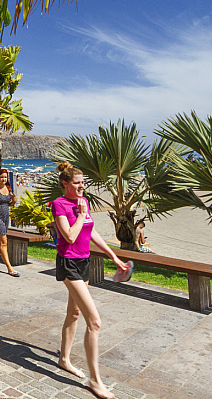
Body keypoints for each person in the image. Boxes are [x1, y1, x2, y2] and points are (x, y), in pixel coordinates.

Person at [52, 161, 128, 399]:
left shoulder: (81, 202)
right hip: (69, 263)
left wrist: (114, 256)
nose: (82, 186)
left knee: (73, 314)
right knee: (94, 321)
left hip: (84, 263)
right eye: (77, 183)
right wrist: (81, 215)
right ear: (65, 184)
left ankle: (64, 359)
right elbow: (70, 236)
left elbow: (91, 231)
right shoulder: (59, 204)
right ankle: (96, 381)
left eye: (83, 182)